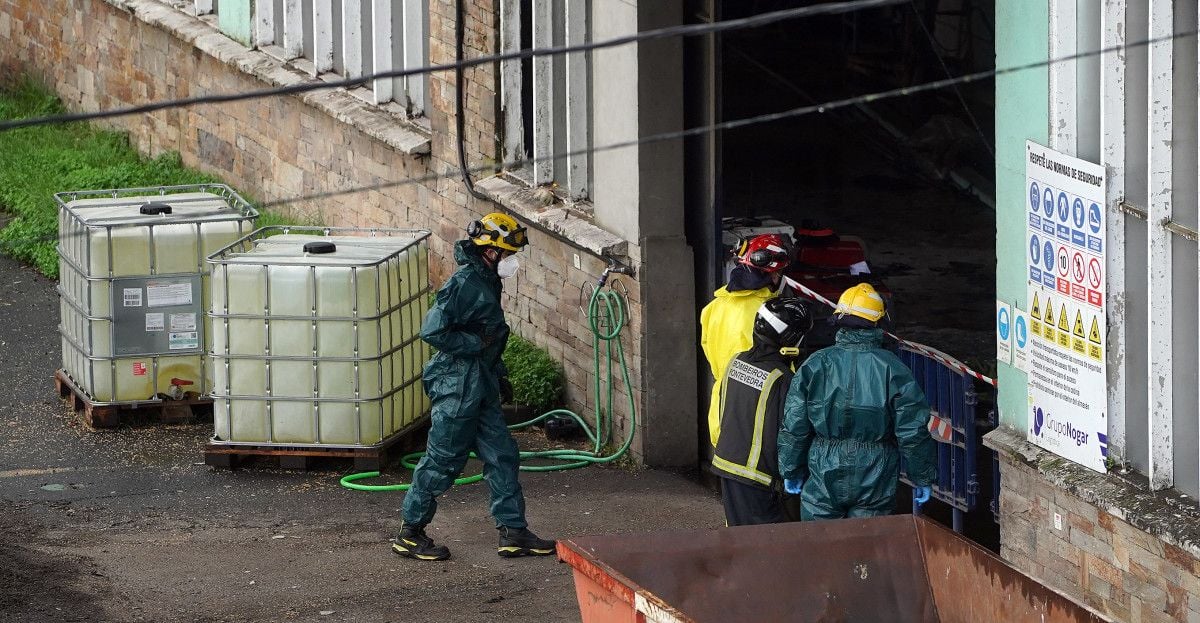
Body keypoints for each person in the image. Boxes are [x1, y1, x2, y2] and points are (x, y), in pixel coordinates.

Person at [394, 212, 555, 561]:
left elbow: (490, 336)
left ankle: (513, 532)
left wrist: (498, 373)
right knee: (443, 461)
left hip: (479, 383)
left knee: (502, 456)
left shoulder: (487, 279)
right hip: (456, 386)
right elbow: (433, 331)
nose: (511, 262)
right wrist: (475, 346)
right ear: (490, 251)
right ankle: (409, 532)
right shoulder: (464, 282)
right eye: (507, 254)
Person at [778, 283, 936, 520]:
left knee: (819, 543)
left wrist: (790, 469)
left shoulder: (816, 364)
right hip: (876, 470)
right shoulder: (893, 368)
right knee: (866, 548)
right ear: (879, 321)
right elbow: (912, 430)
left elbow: (794, 424)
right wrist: (921, 476)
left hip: (823, 465)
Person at [711, 297, 813, 526]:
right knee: (763, 547)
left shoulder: (736, 361)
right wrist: (793, 475)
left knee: (739, 537)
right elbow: (791, 435)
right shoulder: (782, 379)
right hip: (757, 478)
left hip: (727, 465)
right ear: (790, 339)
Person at [700, 233, 792, 448]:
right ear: (774, 273)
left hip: (722, 411)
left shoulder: (713, 308)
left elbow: (711, 354)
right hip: (758, 414)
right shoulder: (770, 315)